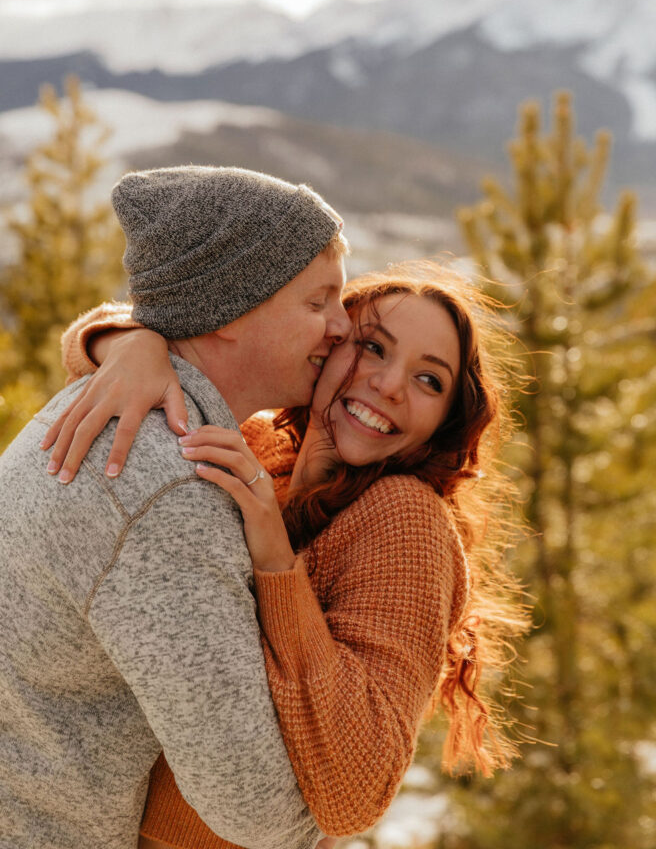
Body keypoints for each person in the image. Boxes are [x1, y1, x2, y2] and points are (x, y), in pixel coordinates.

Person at [51, 260, 528, 849]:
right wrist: (131, 343)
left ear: (442, 422)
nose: (390, 385)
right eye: (373, 347)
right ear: (322, 346)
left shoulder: (404, 518)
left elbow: (357, 789)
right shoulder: (261, 448)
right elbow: (93, 354)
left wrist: (276, 560)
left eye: (430, 381)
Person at [0, 164, 351, 849]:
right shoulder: (166, 485)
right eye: (318, 304)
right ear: (231, 308)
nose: (341, 326)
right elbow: (256, 809)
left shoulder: (109, 404)